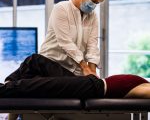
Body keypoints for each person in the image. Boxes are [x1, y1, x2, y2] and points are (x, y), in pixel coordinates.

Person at [1, 54, 150, 99]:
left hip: (93, 89)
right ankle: (10, 83)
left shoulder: (145, 88)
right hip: (90, 82)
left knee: (40, 84)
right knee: (35, 60)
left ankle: (6, 89)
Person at [39, 0, 104, 77]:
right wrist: (85, 67)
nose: (94, 5)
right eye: (93, 1)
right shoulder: (61, 8)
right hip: (51, 64)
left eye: (97, 3)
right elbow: (65, 42)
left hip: (75, 68)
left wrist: (92, 72)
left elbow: (92, 44)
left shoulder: (93, 16)